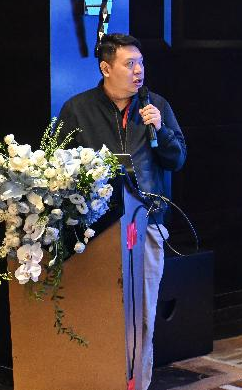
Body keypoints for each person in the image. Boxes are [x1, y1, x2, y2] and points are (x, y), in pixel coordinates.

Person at [58, 33, 186, 390]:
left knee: (141, 318)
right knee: (96, 313)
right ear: (105, 68)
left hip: (146, 225)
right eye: (130, 64)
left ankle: (136, 385)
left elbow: (177, 159)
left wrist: (160, 129)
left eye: (141, 63)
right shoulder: (77, 109)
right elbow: (58, 164)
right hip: (94, 231)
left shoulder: (156, 106)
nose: (138, 70)